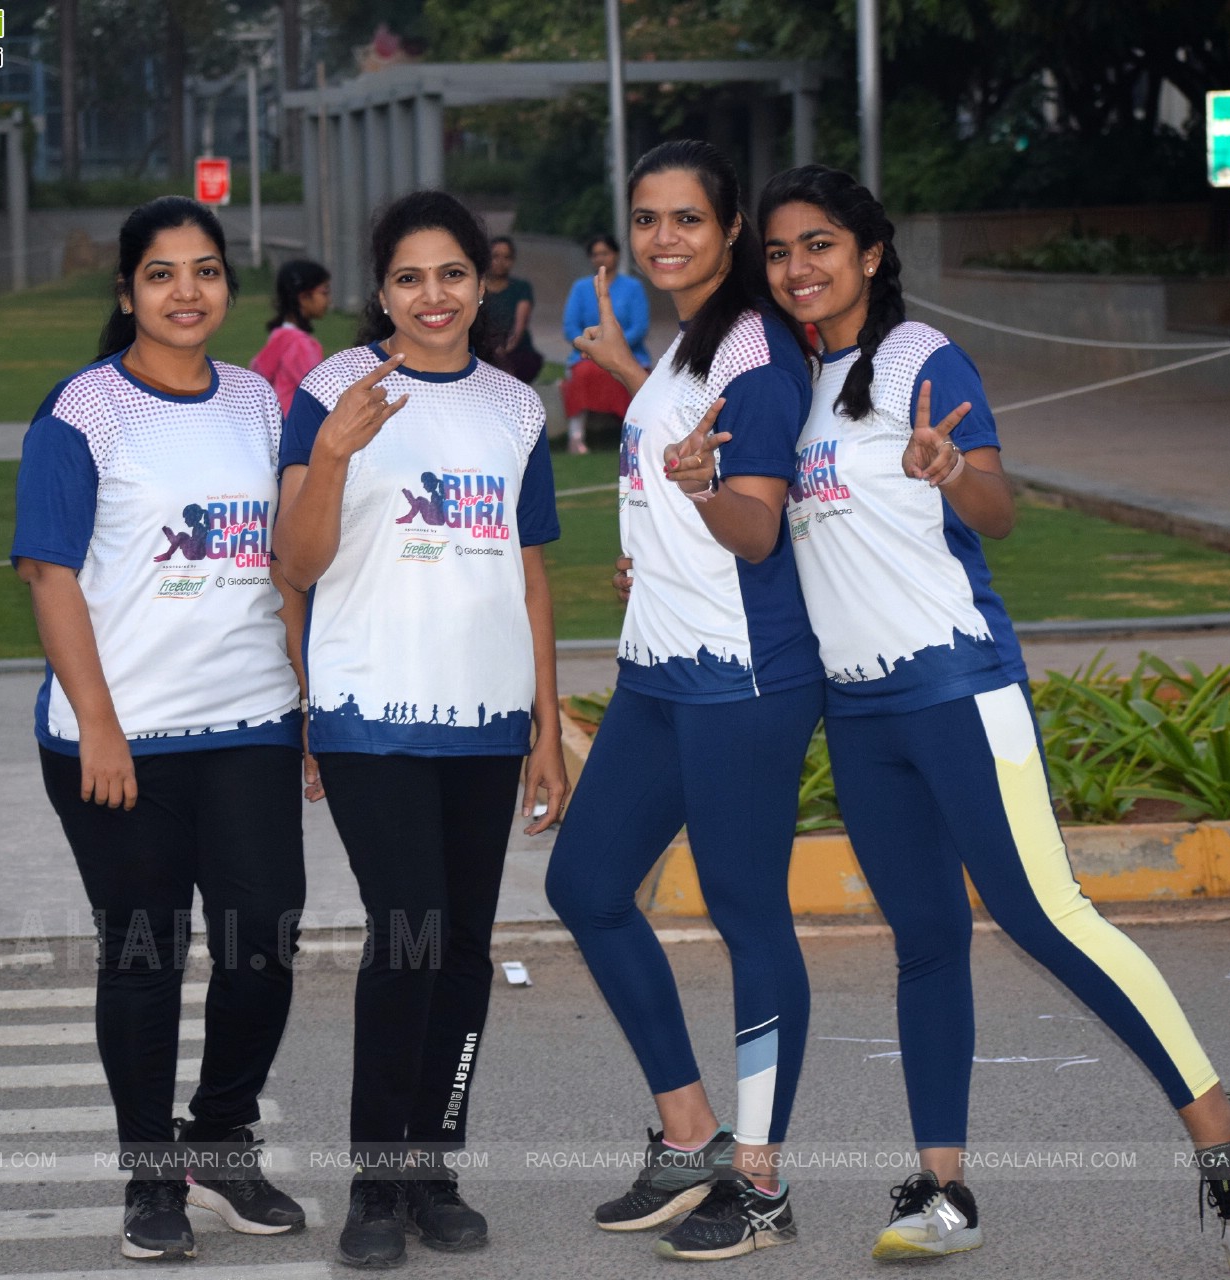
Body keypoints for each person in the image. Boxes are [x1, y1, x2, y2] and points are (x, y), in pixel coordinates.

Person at [744, 163, 1230, 1273]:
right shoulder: (791, 382)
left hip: (956, 686)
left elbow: (997, 506)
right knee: (928, 943)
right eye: (779, 252)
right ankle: (945, 1191)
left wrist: (948, 467)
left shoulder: (921, 359)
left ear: (869, 253)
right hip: (861, 709)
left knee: (1046, 914)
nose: (798, 269)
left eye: (819, 246)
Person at [271, 190, 569, 1270]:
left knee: (466, 951)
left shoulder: (512, 408)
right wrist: (340, 451)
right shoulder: (331, 389)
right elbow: (294, 564)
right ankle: (374, 1179)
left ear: (483, 280)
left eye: (451, 274)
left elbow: (530, 573)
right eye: (408, 277)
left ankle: (436, 1168)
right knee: (412, 932)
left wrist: (545, 719)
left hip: (487, 718)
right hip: (369, 712)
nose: (432, 295)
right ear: (380, 290)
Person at [11, 195, 310, 1262]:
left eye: (207, 271)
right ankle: (150, 1177)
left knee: (264, 938)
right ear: (128, 290)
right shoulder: (85, 409)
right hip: (121, 736)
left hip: (252, 722)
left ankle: (219, 1137)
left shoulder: (260, 404)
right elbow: (49, 573)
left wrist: (307, 703)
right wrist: (99, 724)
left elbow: (287, 566)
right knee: (145, 954)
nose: (188, 292)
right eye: (162, 274)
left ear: (229, 283)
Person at [544, 139, 822, 1262]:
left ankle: (759, 1187)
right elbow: (680, 499)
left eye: (687, 220)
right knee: (587, 883)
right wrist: (653, 546)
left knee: (750, 918)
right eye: (648, 219)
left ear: (731, 230)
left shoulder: (758, 356)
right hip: (660, 664)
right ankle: (692, 1131)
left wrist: (702, 496)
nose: (664, 238)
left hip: (744, 675)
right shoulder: (682, 349)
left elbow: (755, 526)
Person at [559, 233, 651, 454]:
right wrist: (593, 348)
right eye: (595, 254)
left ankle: (634, 438)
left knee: (629, 376)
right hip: (587, 355)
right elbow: (570, 326)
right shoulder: (580, 288)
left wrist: (612, 348)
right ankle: (576, 437)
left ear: (616, 255)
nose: (600, 258)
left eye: (605, 253)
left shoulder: (633, 287)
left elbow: (639, 326)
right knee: (582, 375)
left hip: (630, 354)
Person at [250, 258, 332, 414]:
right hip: (298, 429)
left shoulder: (279, 336)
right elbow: (322, 396)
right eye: (325, 292)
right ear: (304, 297)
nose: (329, 300)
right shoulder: (300, 345)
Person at [481, 235, 544, 384]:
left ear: (512, 260)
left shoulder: (521, 288)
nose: (500, 262)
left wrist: (504, 350)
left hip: (516, 351)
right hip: (481, 350)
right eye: (495, 256)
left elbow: (519, 326)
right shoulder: (476, 288)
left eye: (506, 257)